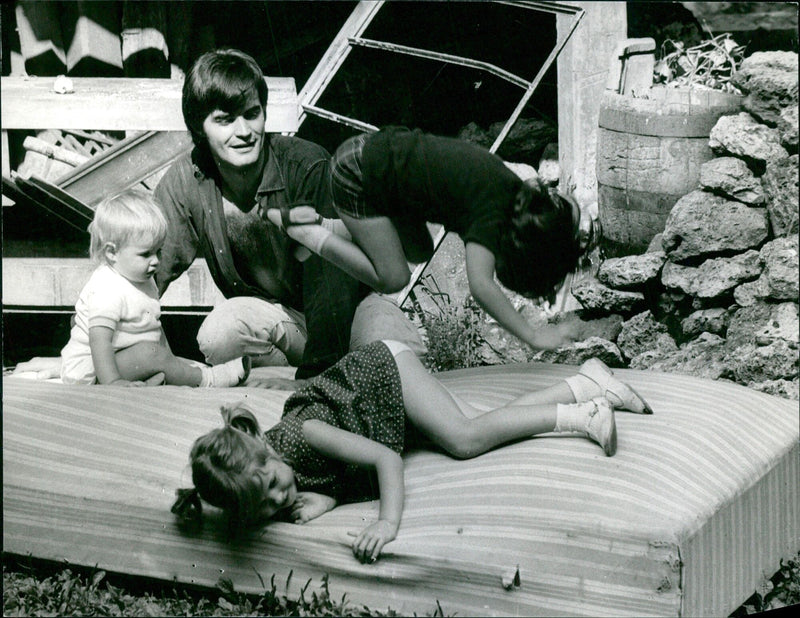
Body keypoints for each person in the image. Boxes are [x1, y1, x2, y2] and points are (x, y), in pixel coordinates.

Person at [173, 341, 652, 563]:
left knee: (464, 439)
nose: (279, 500)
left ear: (265, 449)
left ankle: (581, 417)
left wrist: (387, 523)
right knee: (490, 426)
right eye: (265, 505)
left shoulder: (306, 433)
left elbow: (385, 459)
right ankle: (586, 384)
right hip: (377, 415)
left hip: (384, 374)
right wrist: (329, 499)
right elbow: (336, 475)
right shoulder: (260, 489)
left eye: (276, 486)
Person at [154, 50, 424, 386]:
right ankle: (282, 388)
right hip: (282, 321)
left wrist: (312, 378)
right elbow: (144, 271)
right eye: (225, 120)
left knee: (395, 369)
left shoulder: (306, 166)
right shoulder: (185, 181)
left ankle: (312, 384)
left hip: (349, 309)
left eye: (252, 114)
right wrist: (121, 357)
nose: (243, 131)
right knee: (220, 332)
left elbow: (332, 281)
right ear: (198, 127)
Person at [267, 126, 598, 352]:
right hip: (357, 172)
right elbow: (482, 286)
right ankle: (309, 234)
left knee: (419, 250)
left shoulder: (511, 194)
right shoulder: (494, 212)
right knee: (394, 277)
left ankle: (316, 220)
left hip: (381, 162)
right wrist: (533, 335)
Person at [60, 189, 249, 387]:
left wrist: (170, 359)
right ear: (112, 252)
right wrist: (113, 382)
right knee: (152, 355)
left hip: (124, 358)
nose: (156, 261)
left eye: (158, 251)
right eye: (146, 254)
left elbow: (153, 326)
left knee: (172, 361)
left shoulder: (140, 278)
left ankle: (174, 376)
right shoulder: (107, 288)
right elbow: (100, 342)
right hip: (94, 369)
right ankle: (210, 380)